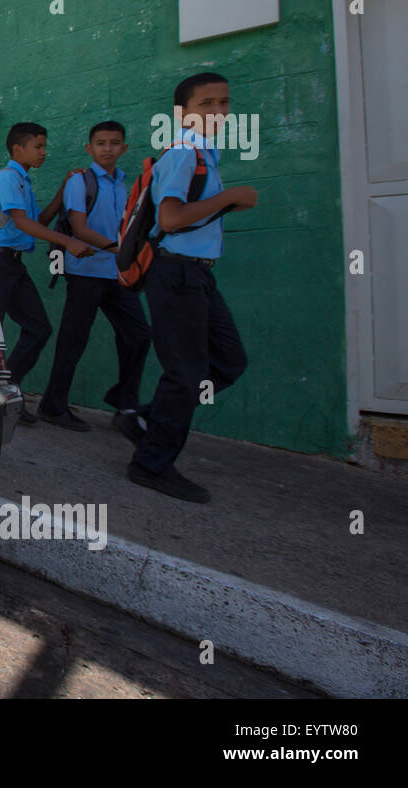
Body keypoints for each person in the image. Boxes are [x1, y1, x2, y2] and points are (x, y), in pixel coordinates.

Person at [128, 73, 257, 502]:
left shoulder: (206, 152)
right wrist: (229, 197)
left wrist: (225, 201)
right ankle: (150, 464)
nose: (218, 111)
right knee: (184, 374)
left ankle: (147, 419)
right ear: (184, 113)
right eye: (207, 104)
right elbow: (170, 219)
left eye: (223, 102)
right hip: (176, 274)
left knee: (228, 360)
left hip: (197, 273)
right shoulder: (185, 153)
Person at [37, 122, 152, 438]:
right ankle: (52, 404)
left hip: (115, 274)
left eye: (115, 143)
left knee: (139, 335)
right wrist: (121, 250)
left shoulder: (122, 183)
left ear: (124, 149)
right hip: (85, 273)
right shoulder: (80, 181)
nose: (108, 148)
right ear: (89, 148)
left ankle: (125, 402)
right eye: (101, 143)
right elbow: (80, 229)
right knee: (73, 341)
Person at [0, 122, 94, 424]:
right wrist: (68, 240)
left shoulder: (23, 182)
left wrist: (62, 191)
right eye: (38, 146)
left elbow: (37, 220)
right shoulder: (7, 178)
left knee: (39, 328)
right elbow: (24, 223)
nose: (44, 152)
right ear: (18, 149)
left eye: (44, 146)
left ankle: (5, 395)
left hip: (14, 265)